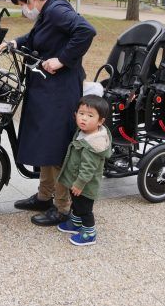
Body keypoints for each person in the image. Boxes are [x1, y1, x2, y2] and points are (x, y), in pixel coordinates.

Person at [0, 0, 96, 227]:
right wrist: (14, 42)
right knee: (45, 142)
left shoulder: (56, 10)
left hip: (60, 90)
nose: (24, 9)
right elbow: (35, 38)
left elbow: (86, 31)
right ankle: (44, 196)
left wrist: (62, 59)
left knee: (56, 146)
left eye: (23, 3)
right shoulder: (49, 10)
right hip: (47, 87)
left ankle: (62, 208)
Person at [56, 95, 112, 246]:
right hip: (76, 181)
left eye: (90, 116)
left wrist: (80, 183)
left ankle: (89, 233)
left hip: (85, 185)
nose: (84, 118)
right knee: (76, 204)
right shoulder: (84, 132)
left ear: (100, 121)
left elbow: (88, 168)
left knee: (84, 209)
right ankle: (76, 223)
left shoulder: (93, 143)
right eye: (81, 113)